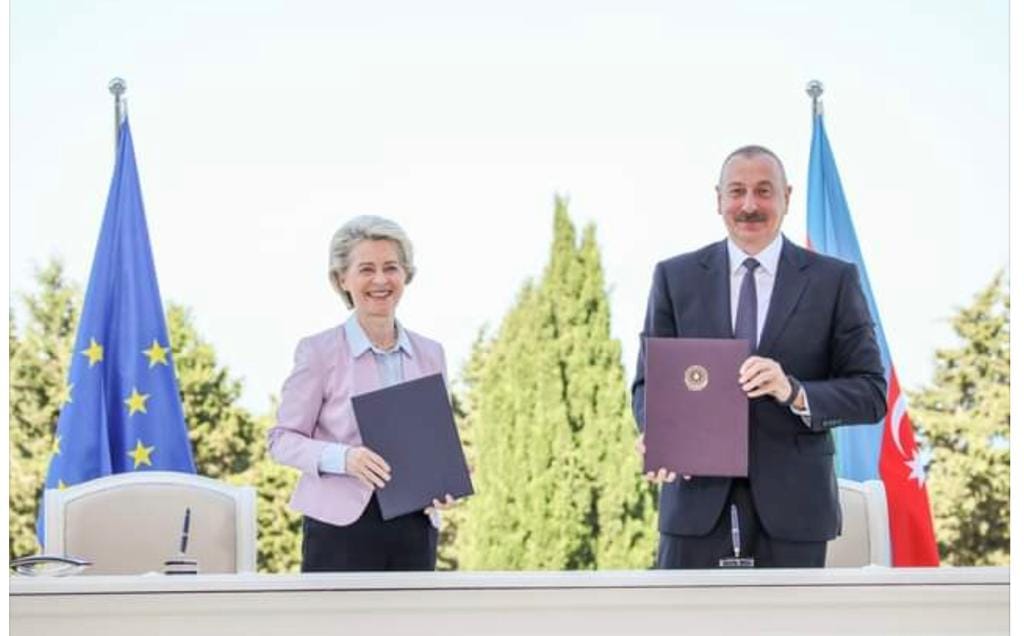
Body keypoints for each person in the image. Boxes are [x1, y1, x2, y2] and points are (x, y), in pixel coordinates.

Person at [631, 145, 887, 568]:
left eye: (764, 191)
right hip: (693, 509)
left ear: (786, 196)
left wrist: (794, 391)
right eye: (737, 191)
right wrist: (658, 433)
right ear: (718, 199)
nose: (749, 205)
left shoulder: (834, 281)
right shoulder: (674, 278)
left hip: (796, 513)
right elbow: (647, 384)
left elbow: (871, 393)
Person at [269, 215, 453, 572]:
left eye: (391, 267)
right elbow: (281, 440)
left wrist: (443, 482)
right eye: (366, 269)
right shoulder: (318, 352)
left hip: (415, 526)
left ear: (406, 275)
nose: (381, 280)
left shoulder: (432, 353)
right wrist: (344, 458)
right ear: (342, 279)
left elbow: (436, 439)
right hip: (340, 528)